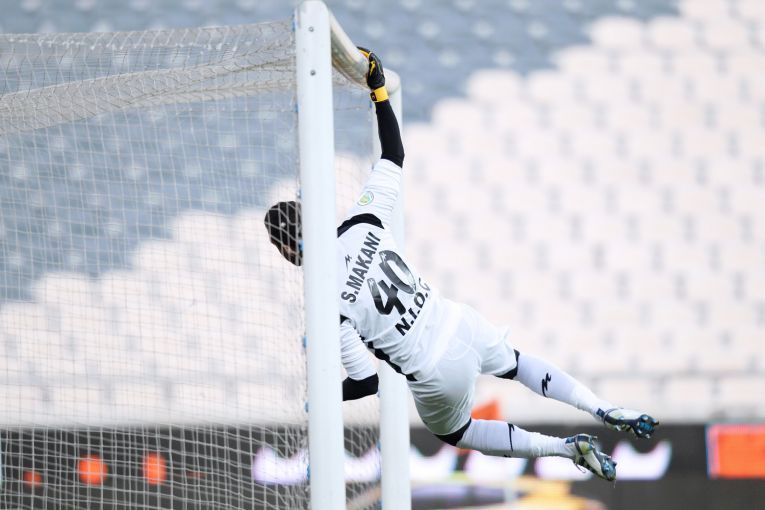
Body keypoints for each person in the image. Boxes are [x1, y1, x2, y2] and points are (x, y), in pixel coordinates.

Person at [264, 48, 658, 481]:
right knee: (519, 364)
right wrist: (378, 90)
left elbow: (365, 382)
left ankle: (564, 449)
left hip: (433, 370)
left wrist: (320, 397)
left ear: (286, 252)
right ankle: (601, 407)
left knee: (457, 433)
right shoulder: (363, 221)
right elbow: (393, 154)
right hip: (459, 322)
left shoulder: (325, 302)